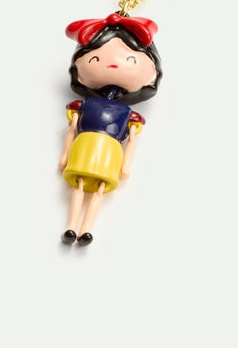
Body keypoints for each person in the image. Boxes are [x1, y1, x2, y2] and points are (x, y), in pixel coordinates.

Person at [59, 13, 162, 245]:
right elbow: (71, 130)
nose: (113, 63)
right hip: (85, 147)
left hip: (108, 152)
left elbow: (132, 141)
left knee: (98, 190)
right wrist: (65, 156)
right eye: (95, 59)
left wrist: (125, 167)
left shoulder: (129, 115)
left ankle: (87, 228)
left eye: (131, 59)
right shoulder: (83, 106)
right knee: (79, 186)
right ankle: (70, 226)